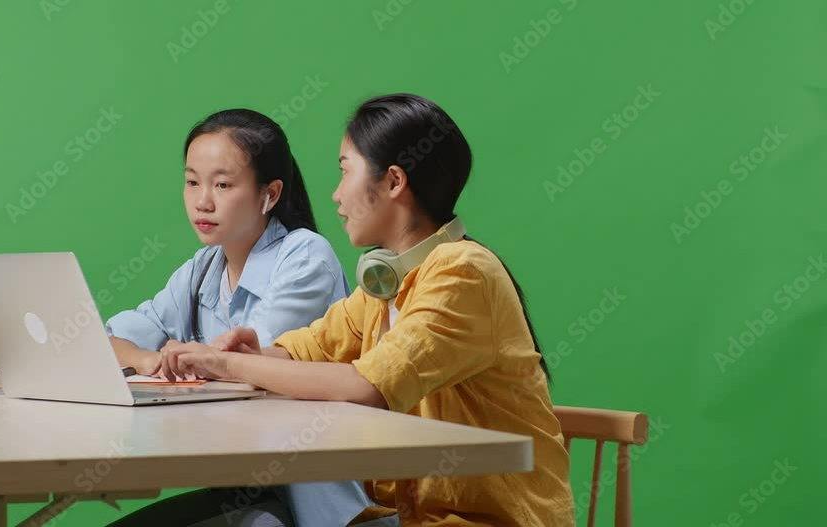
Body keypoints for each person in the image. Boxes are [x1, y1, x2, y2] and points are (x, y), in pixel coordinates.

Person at [158, 94, 577, 526]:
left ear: (393, 182)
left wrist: (227, 365)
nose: (336, 195)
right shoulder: (386, 283)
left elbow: (365, 385)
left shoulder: (462, 272)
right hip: (407, 517)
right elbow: (310, 347)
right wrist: (254, 353)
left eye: (345, 171)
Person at [105, 108, 377, 525]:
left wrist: (189, 358)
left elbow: (248, 365)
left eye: (223, 184)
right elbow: (108, 340)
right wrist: (148, 359)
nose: (203, 200)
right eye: (192, 181)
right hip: (244, 485)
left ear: (269, 194)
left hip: (308, 494)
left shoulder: (304, 256)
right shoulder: (202, 268)